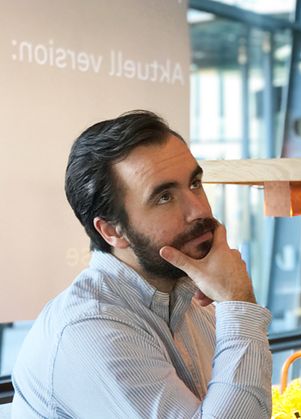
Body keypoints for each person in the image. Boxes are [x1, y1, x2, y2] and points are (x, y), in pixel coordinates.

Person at [11, 110, 272, 418]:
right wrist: (237, 302)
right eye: (164, 197)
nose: (199, 210)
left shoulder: (191, 293)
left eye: (195, 183)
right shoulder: (91, 328)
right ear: (112, 231)